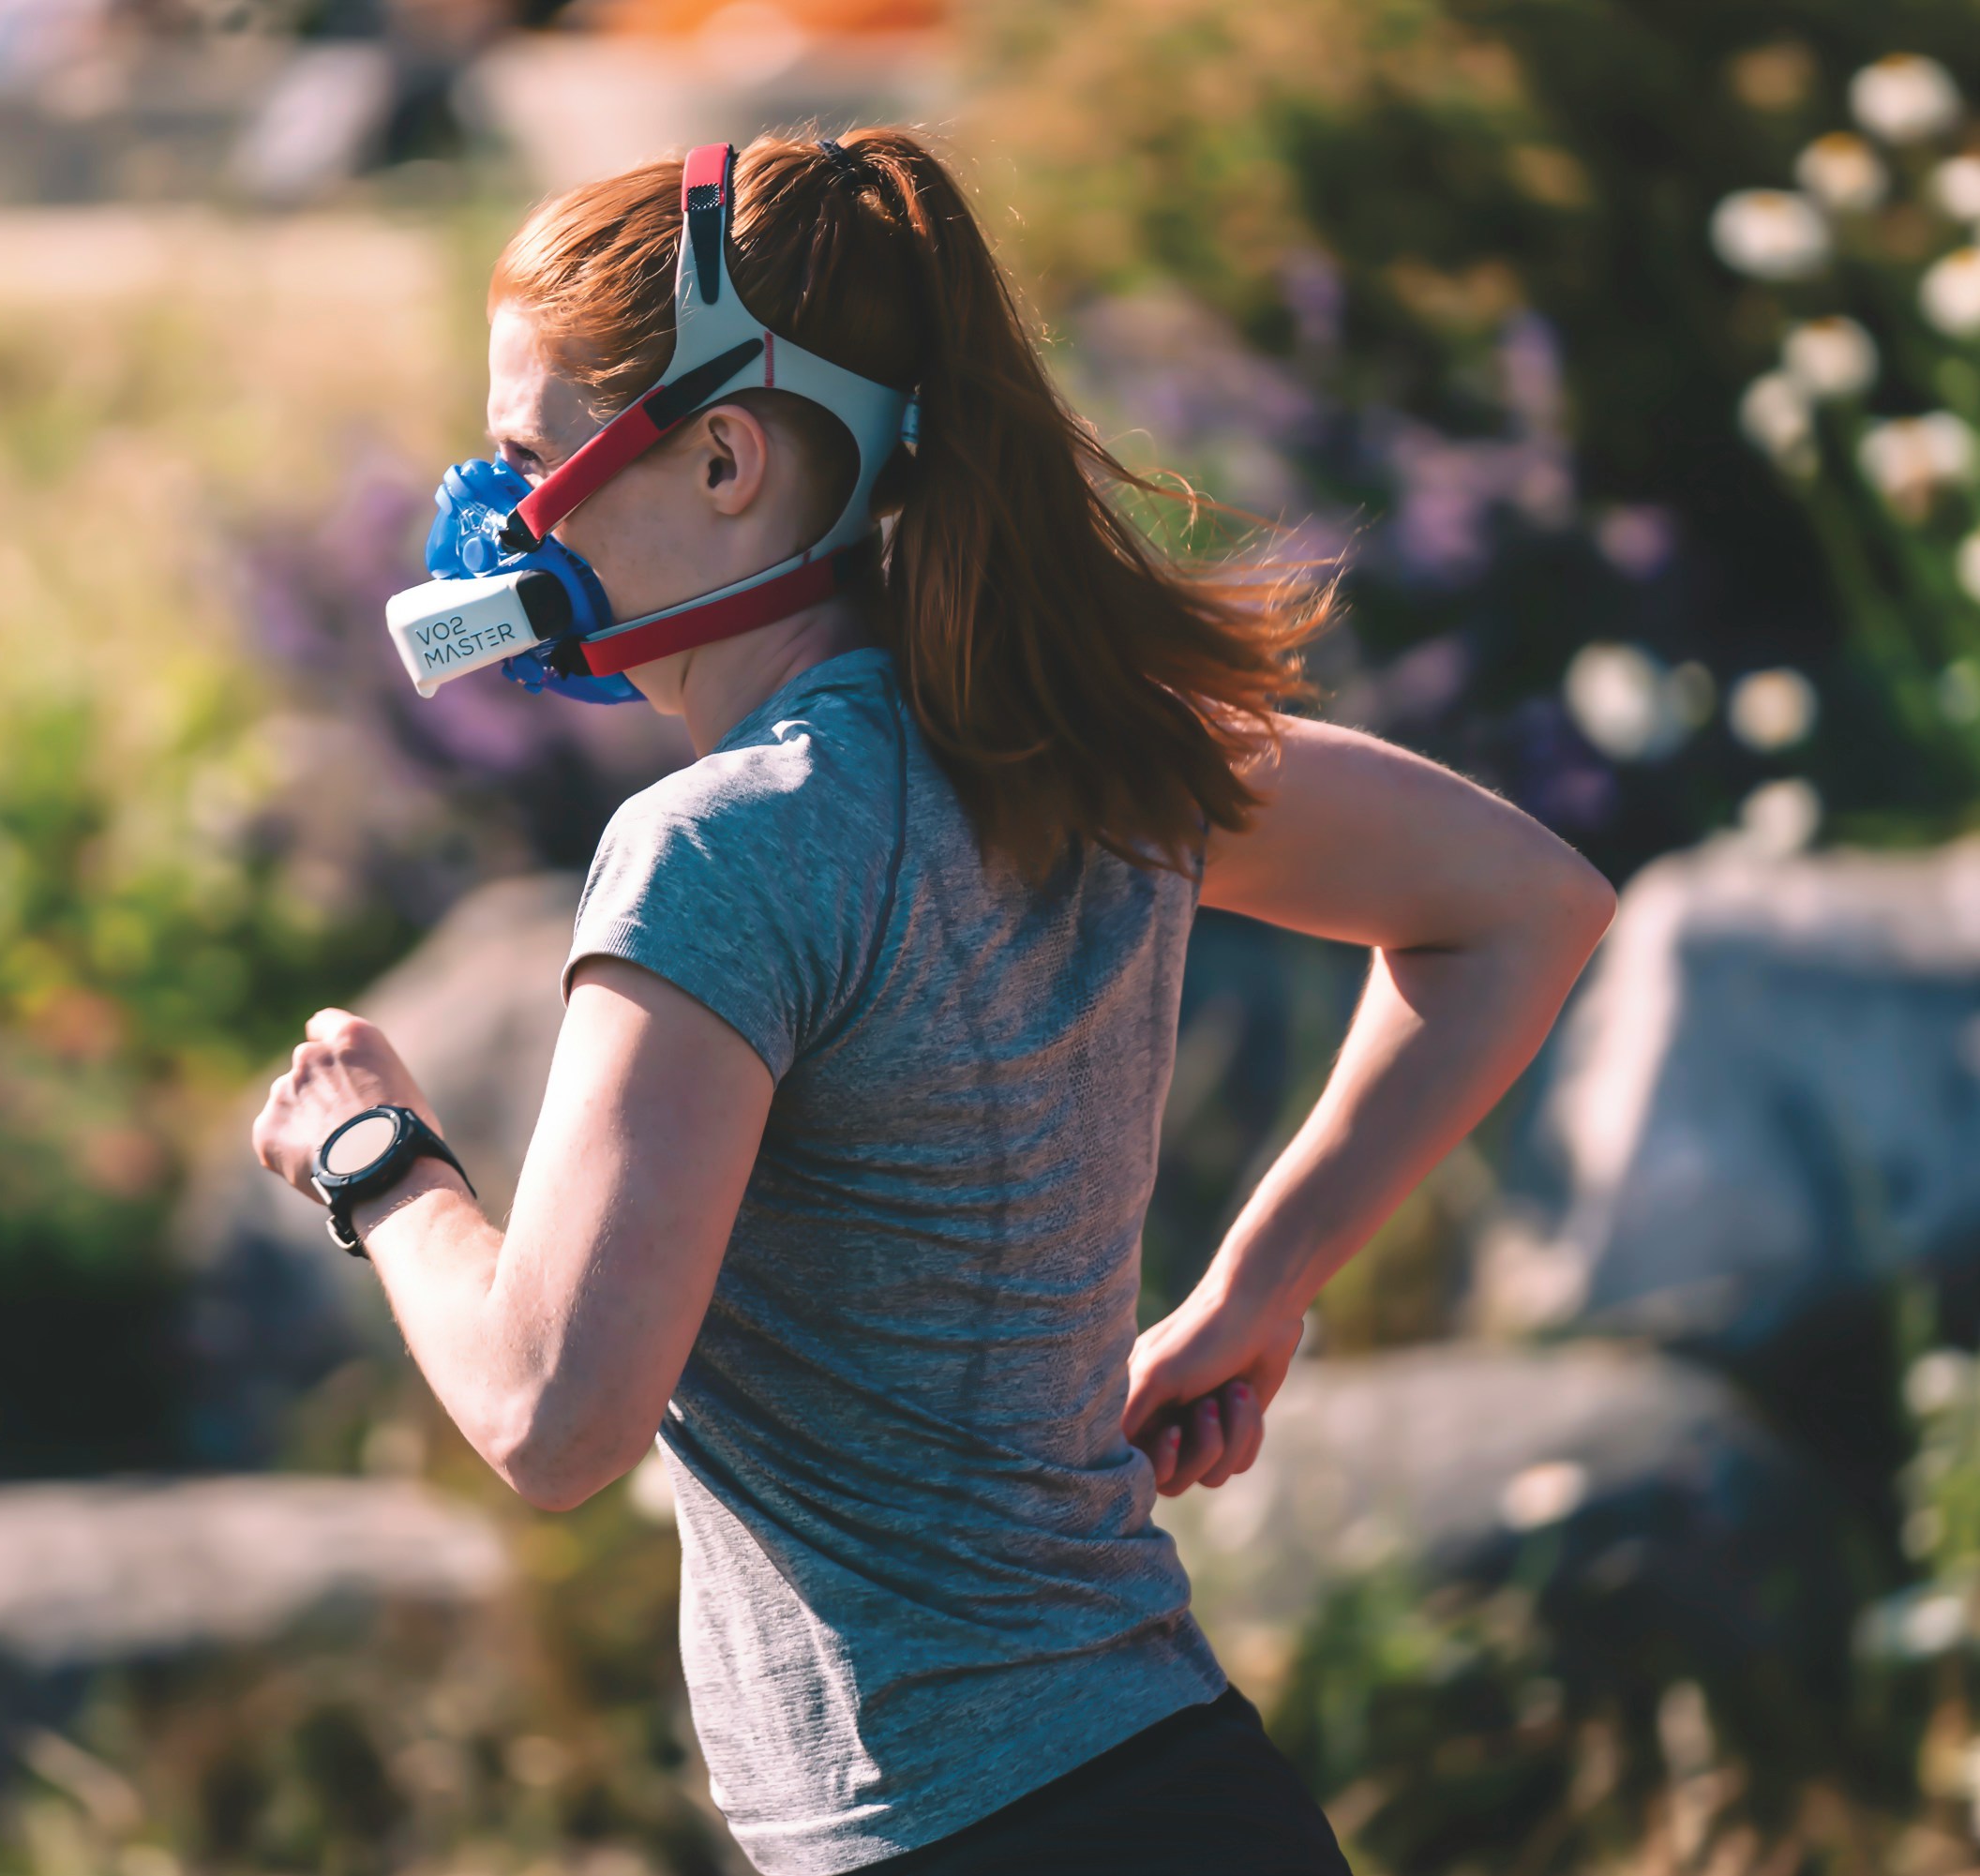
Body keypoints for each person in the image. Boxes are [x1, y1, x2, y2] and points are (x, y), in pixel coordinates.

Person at [252, 128, 1614, 1876]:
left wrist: (377, 1151)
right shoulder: (1085, 749)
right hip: (1191, 1785)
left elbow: (554, 1417)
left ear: (726, 456)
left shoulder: (716, 853)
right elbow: (1527, 902)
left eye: (530, 456)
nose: (494, 516)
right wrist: (1262, 1285)